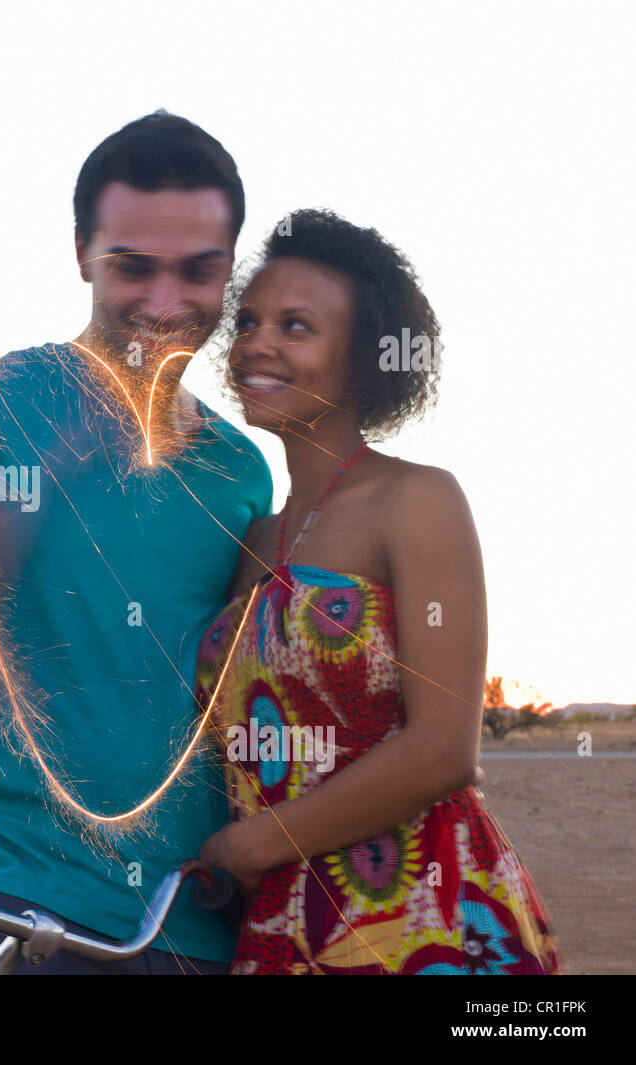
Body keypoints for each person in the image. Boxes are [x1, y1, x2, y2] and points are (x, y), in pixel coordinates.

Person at [0, 111, 273, 973]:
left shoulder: (242, 470)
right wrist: (69, 456)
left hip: (194, 913)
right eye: (134, 266)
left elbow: (229, 670)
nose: (166, 303)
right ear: (81, 252)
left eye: (199, 272)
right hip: (19, 901)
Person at [193, 208, 561, 974]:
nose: (257, 342)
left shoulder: (417, 500)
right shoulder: (256, 539)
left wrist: (256, 843)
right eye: (250, 321)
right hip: (282, 925)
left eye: (295, 326)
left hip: (424, 912)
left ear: (364, 359)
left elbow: (442, 747)